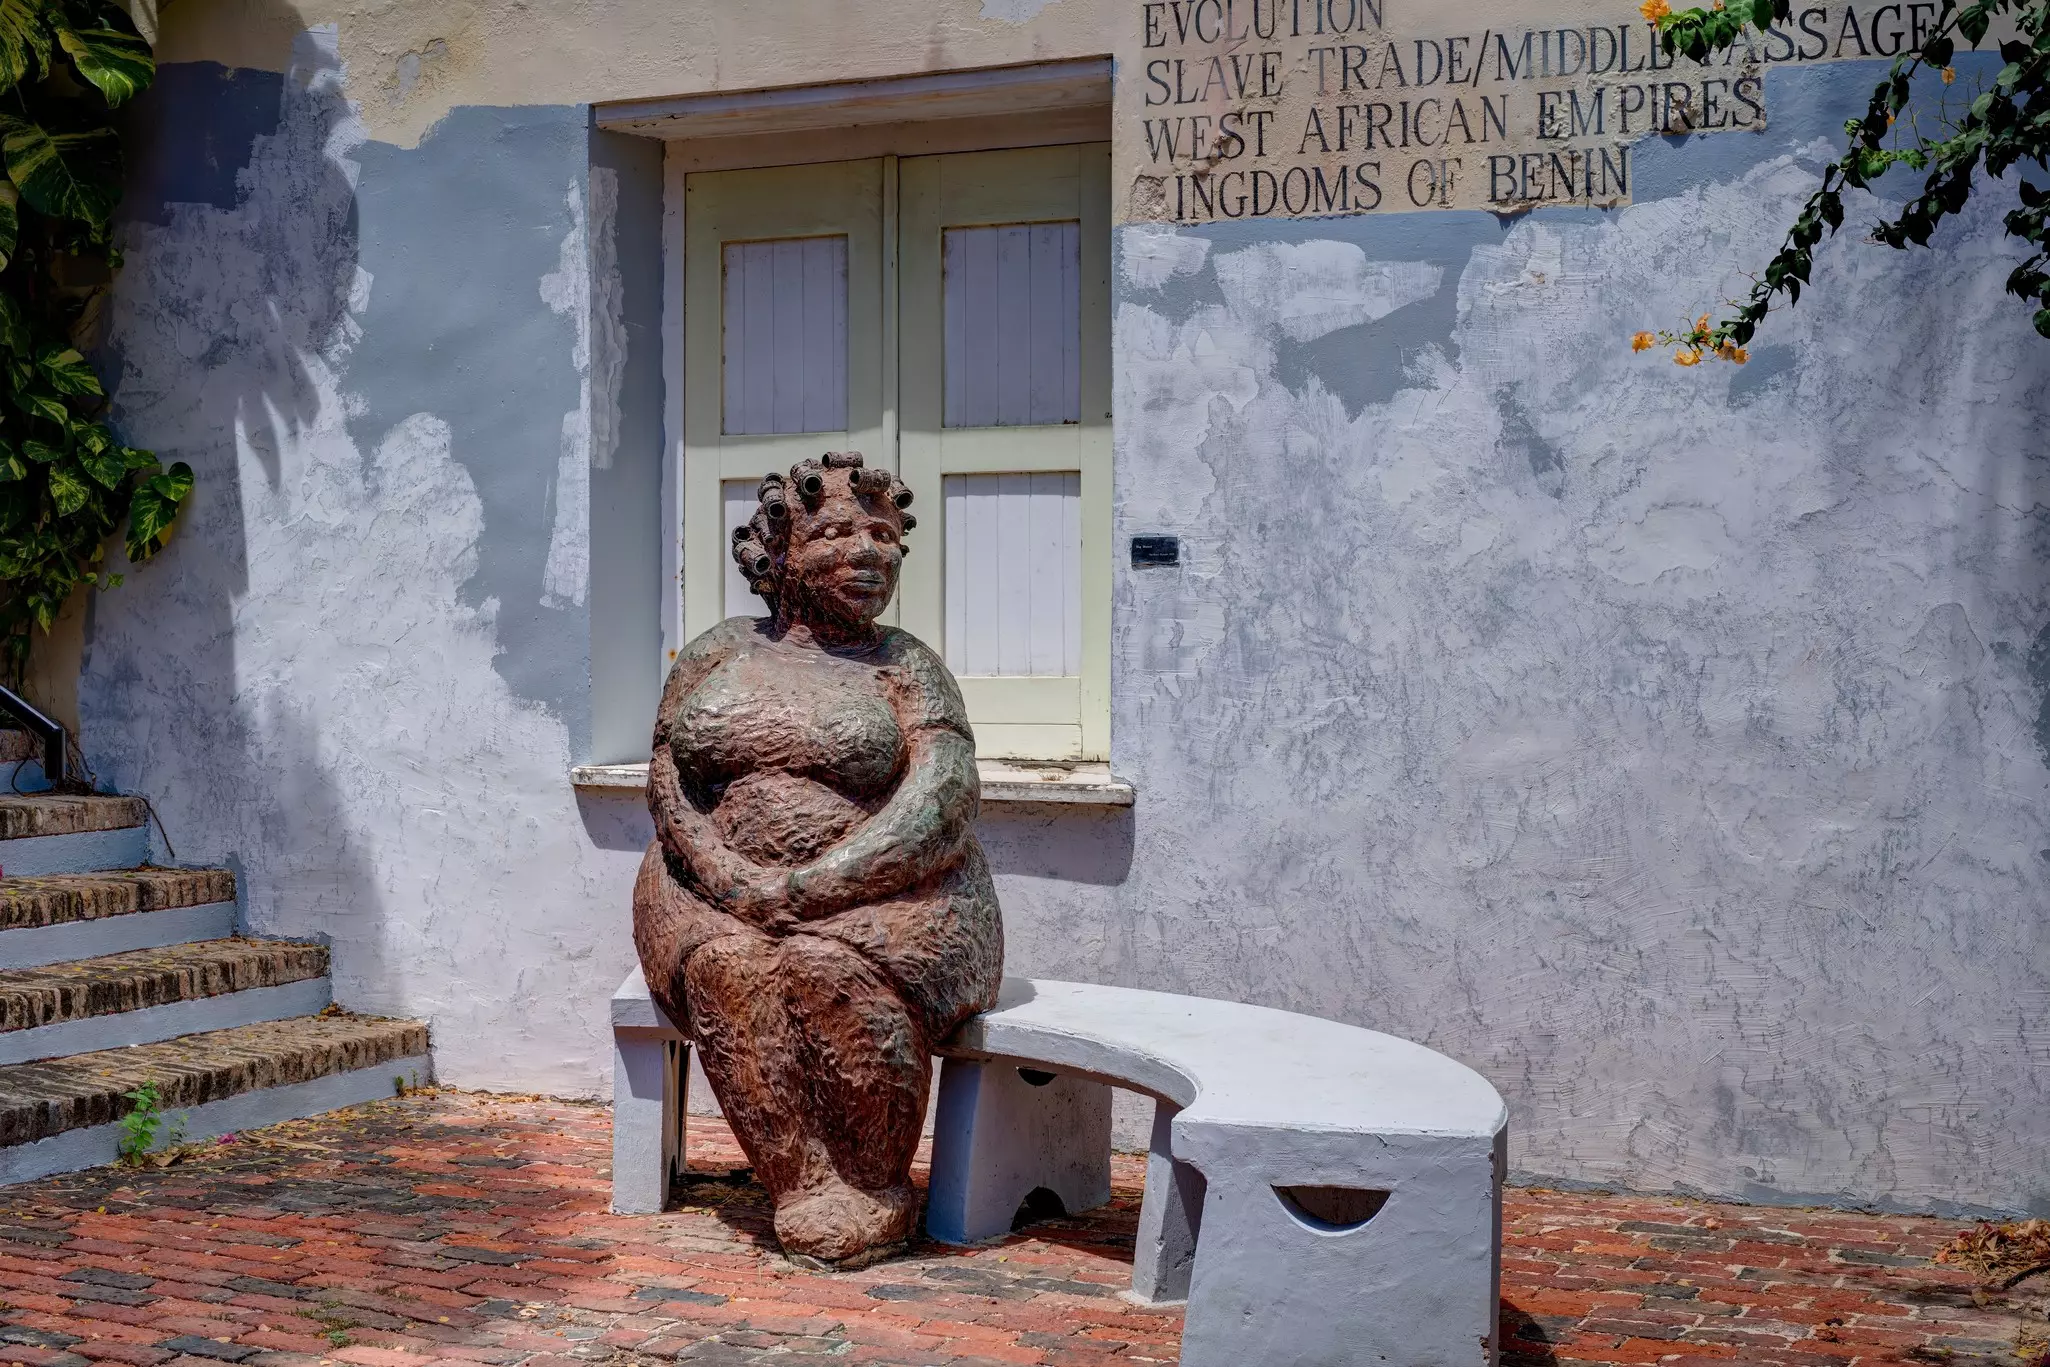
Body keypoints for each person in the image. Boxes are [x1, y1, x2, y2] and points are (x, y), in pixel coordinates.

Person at [633, 451, 1002, 1263]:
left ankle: (874, 1183)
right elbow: (666, 778)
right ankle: (799, 1180)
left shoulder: (905, 666)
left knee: (824, 968)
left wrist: (817, 884)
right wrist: (725, 874)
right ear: (780, 549)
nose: (868, 553)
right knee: (727, 968)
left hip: (893, 898)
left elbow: (941, 800)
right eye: (835, 532)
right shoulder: (715, 654)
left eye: (882, 534)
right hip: (709, 894)